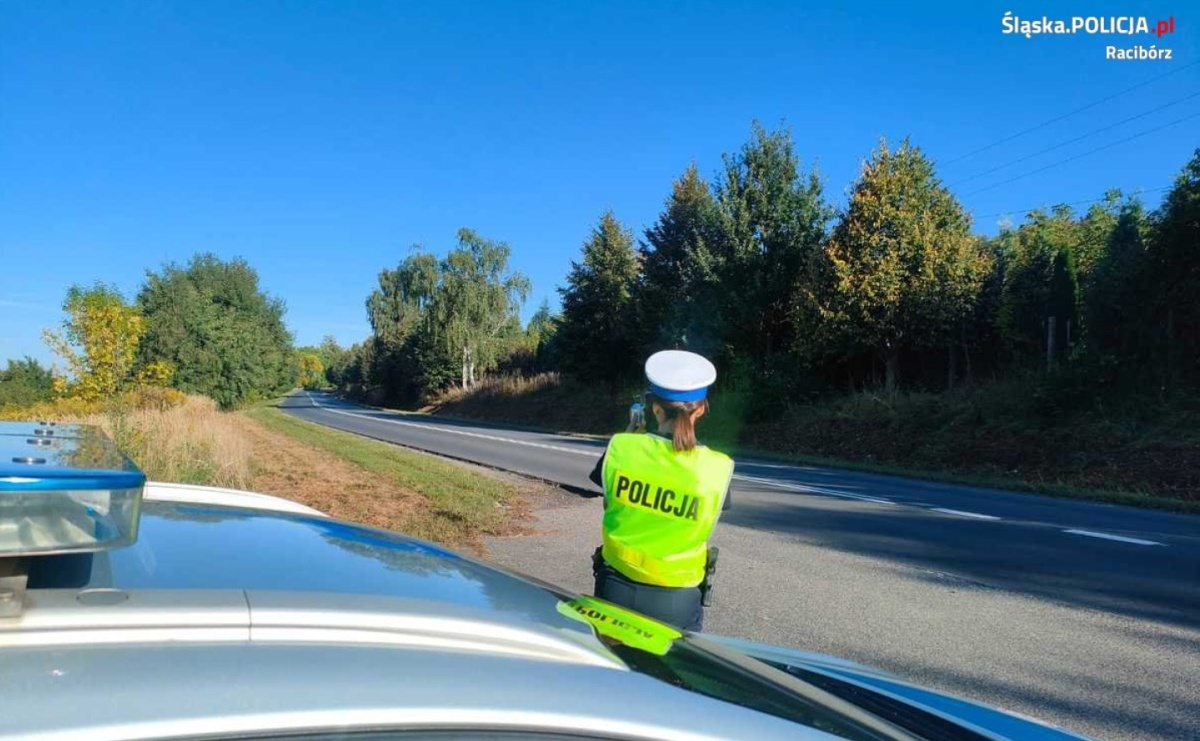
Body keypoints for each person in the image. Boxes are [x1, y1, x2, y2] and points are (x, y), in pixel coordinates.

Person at [586, 350, 735, 631]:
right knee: (668, 675)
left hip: (615, 586)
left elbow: (612, 504)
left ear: (654, 408)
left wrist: (632, 434)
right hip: (677, 599)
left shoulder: (621, 447)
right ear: (701, 408)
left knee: (612, 670)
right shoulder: (718, 468)